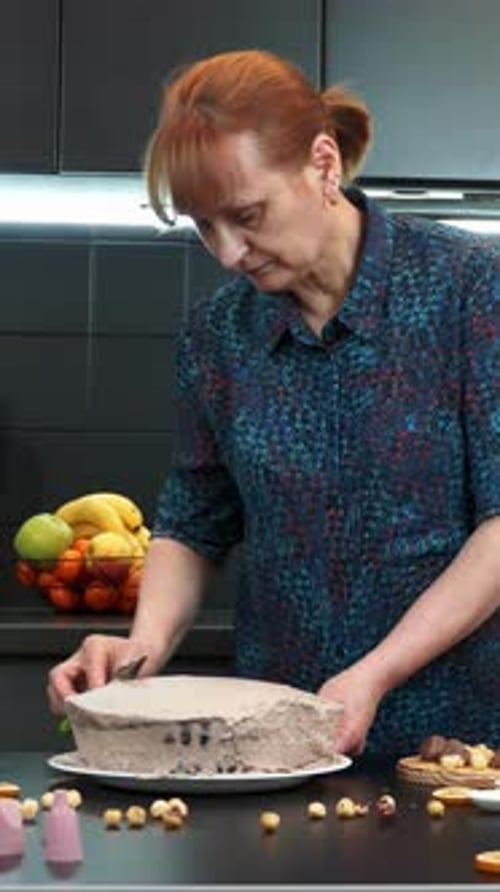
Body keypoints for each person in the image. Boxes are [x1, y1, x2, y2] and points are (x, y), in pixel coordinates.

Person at [47, 49, 500, 756]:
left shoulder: (470, 289)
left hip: (458, 750)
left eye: (246, 215)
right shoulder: (216, 335)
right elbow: (194, 520)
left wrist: (376, 674)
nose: (229, 252)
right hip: (272, 751)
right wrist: (140, 647)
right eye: (204, 226)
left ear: (323, 164)